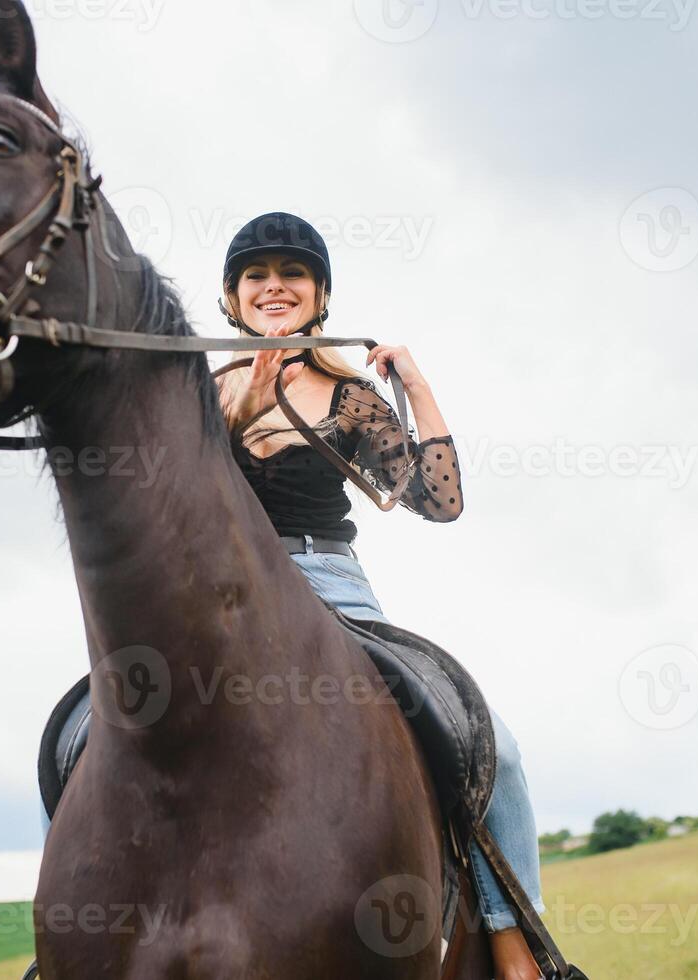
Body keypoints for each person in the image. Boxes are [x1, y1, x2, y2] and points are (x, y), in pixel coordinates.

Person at [216, 212, 547, 980]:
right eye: (256, 275)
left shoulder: (348, 395)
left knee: (489, 737)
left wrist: (416, 390)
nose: (274, 286)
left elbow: (441, 502)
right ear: (232, 299)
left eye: (291, 273)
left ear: (320, 294)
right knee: (85, 728)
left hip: (330, 586)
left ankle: (515, 944)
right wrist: (233, 413)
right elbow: (167, 500)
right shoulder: (196, 395)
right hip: (224, 596)